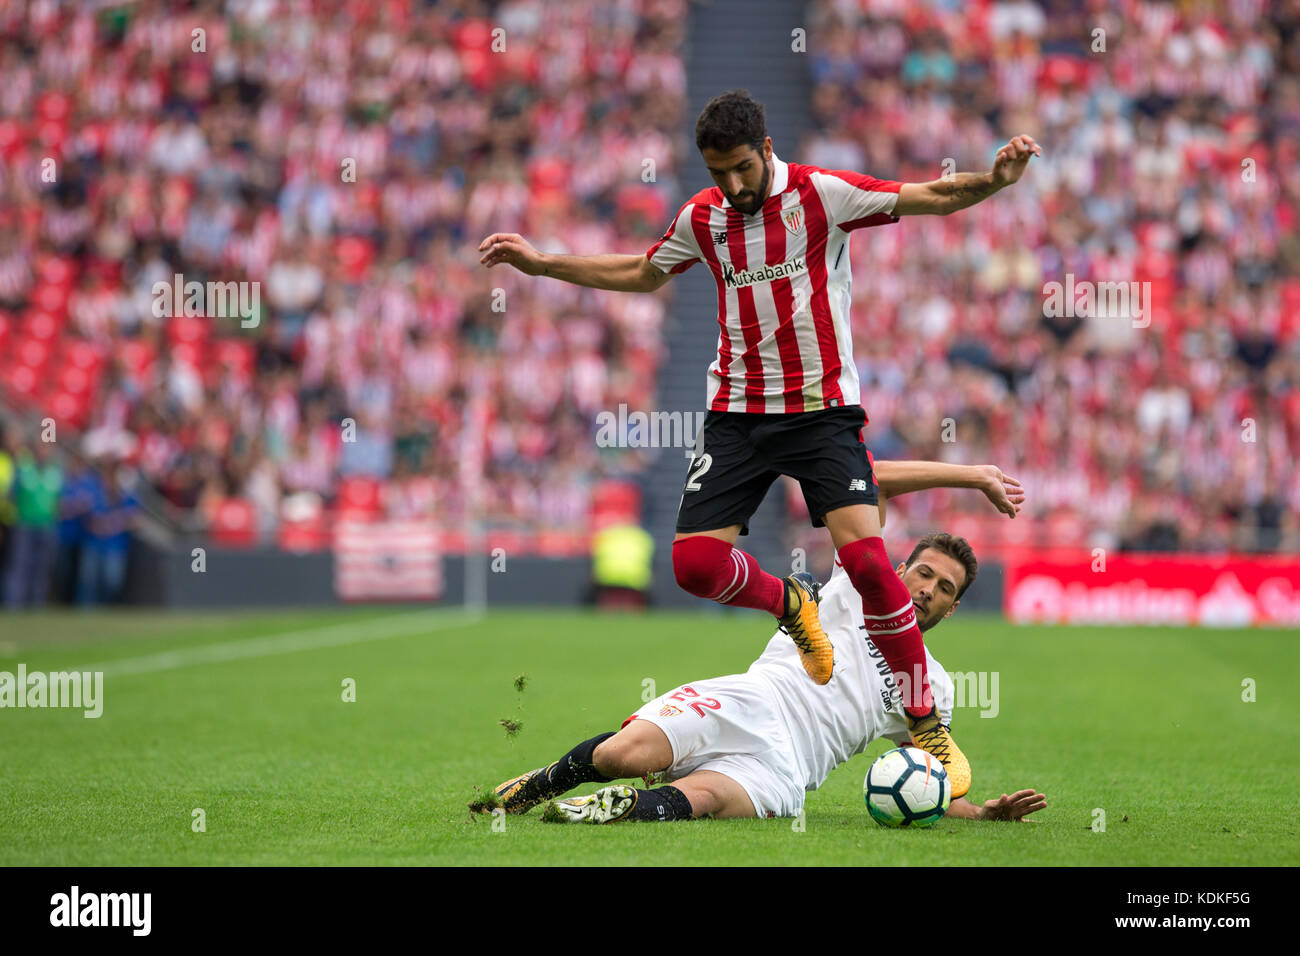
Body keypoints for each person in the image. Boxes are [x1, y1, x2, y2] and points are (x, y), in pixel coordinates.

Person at [478, 89, 1041, 795]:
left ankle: (924, 719)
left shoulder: (822, 195)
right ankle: (792, 606)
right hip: (738, 413)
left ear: (767, 149)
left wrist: (992, 181)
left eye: (744, 168)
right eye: (721, 173)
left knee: (869, 563)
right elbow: (642, 272)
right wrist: (542, 264)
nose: (735, 186)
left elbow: (931, 194)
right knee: (693, 565)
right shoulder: (704, 218)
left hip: (821, 410)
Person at [476, 461, 1040, 822]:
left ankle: (605, 811)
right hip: (752, 700)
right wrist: (971, 475)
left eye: (944, 588)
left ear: (954, 606)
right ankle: (543, 784)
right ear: (899, 568)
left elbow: (931, 778)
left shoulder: (933, 686)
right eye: (923, 573)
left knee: (704, 799)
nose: (927, 590)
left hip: (788, 766)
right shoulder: (855, 584)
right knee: (622, 754)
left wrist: (983, 816)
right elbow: (870, 476)